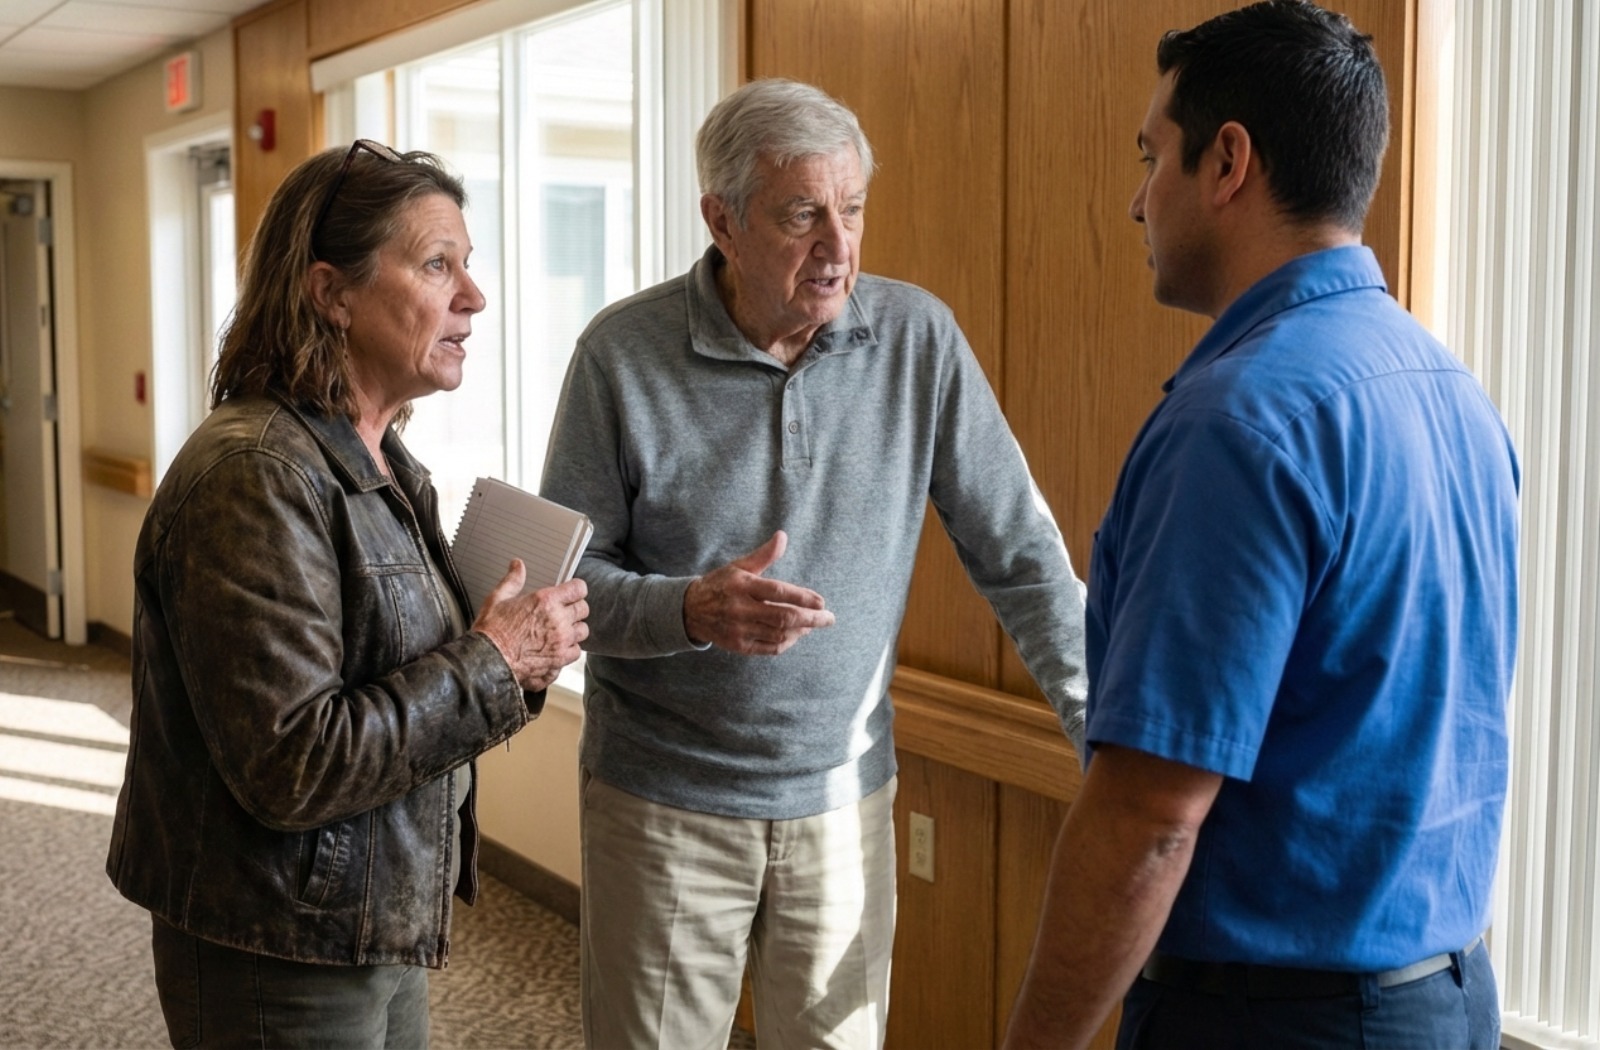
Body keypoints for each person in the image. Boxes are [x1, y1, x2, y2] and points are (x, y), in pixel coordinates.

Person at [1002, 3, 1520, 1048]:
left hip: (1277, 1020)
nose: (1137, 201)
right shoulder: (1449, 388)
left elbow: (1151, 818)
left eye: (1152, 156)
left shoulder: (1239, 423)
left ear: (1228, 163)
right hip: (1447, 999)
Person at [538, 78, 1089, 1049]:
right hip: (662, 801)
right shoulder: (619, 355)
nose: (839, 245)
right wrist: (689, 610)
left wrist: (1103, 727)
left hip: (842, 800)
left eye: (853, 208)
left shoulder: (918, 339)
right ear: (723, 220)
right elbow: (567, 589)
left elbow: (1022, 553)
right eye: (802, 215)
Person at [105, 140, 590, 1049]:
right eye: (437, 265)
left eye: (468, 265)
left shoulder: (385, 459)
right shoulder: (256, 474)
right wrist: (493, 661)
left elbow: (401, 670)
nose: (474, 297)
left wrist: (514, 657)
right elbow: (294, 763)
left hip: (372, 915)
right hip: (277, 941)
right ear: (331, 292)